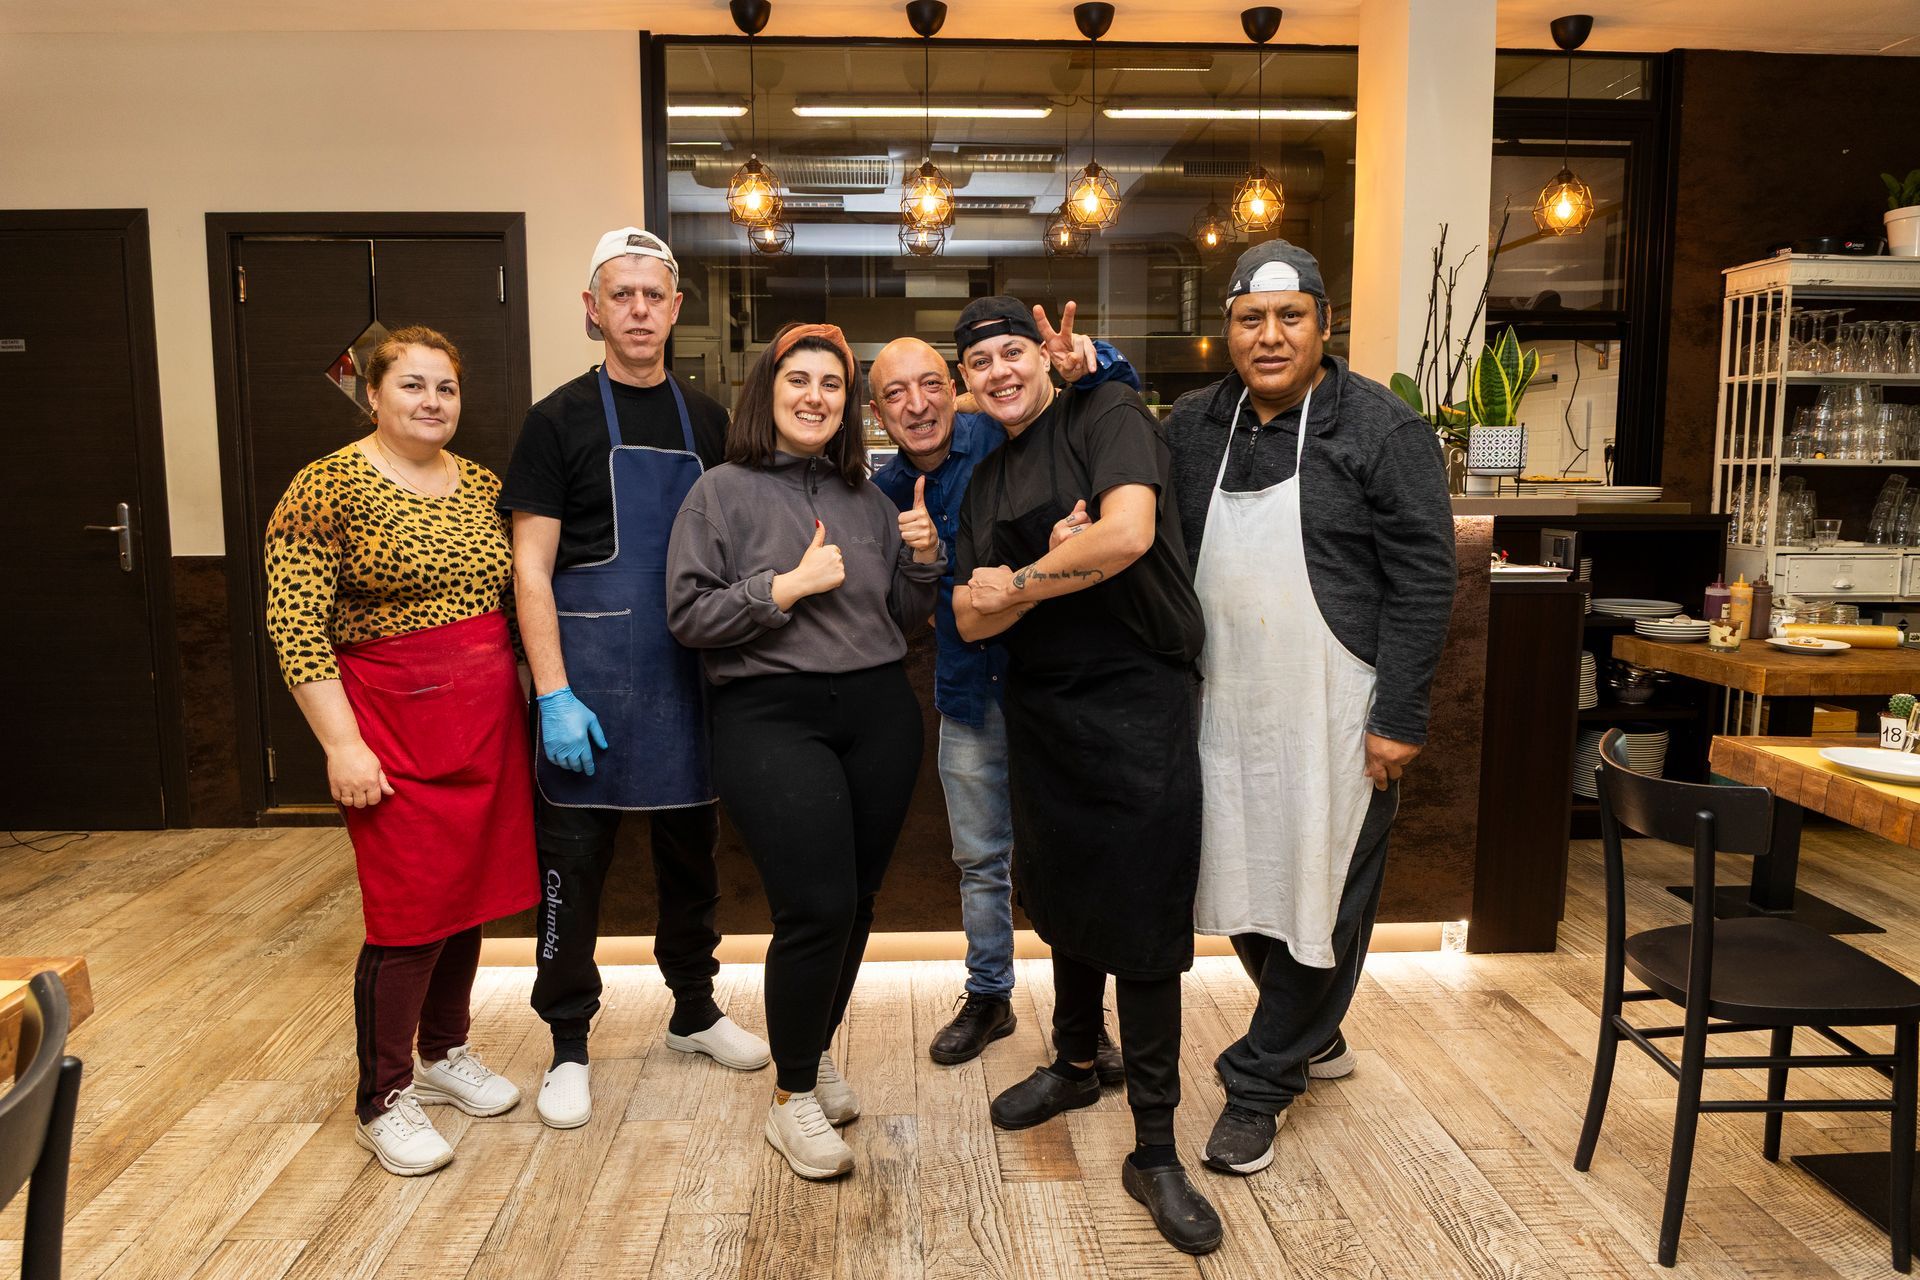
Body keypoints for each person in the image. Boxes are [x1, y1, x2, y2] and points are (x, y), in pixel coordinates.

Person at [1164, 241, 1455, 1177]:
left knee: (1325, 891)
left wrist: (1400, 714)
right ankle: (1313, 1034)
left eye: (1291, 318)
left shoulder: (1381, 429)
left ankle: (1261, 1082)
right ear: (1229, 331)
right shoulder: (1192, 425)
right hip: (1224, 702)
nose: (1271, 336)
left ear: (1325, 325)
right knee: (1246, 884)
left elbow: (1423, 579)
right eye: (1252, 319)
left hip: (1338, 706)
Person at [950, 297, 1221, 1255]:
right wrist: (1050, 568)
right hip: (1045, 711)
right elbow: (968, 620)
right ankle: (1072, 1061)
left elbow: (1130, 536)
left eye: (1011, 350)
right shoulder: (984, 482)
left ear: (1041, 356)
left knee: (1143, 923)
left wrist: (1028, 578)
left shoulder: (1104, 415)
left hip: (1139, 698)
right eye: (979, 361)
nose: (999, 370)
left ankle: (1153, 1148)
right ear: (966, 386)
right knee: (1062, 898)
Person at [500, 228, 769, 1131]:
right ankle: (568, 1043)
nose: (640, 311)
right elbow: (529, 569)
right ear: (593, 310)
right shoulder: (557, 421)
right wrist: (553, 693)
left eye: (654, 295)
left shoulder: (707, 419)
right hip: (591, 682)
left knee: (692, 862)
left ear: (676, 309)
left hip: (689, 680)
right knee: (571, 871)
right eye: (622, 295)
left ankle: (693, 1011)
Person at [667, 323, 943, 1181]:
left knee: (857, 902)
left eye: (832, 384)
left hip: (877, 710)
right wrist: (783, 587)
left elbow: (893, 618)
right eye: (799, 380)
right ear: (769, 392)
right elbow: (688, 616)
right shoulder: (720, 491)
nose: (815, 396)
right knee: (815, 906)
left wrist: (924, 566)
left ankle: (813, 1048)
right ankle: (791, 1101)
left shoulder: (867, 498)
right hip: (769, 714)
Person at [264, 325, 535, 1177]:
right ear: (373, 394)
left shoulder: (484, 485)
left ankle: (444, 1051)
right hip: (387, 725)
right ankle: (382, 1097)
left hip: (485, 720)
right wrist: (341, 745)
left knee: (471, 897)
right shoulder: (324, 487)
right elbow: (294, 625)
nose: (431, 403)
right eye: (412, 386)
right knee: (410, 912)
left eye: (445, 389)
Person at [868, 306, 1137, 1071]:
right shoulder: (883, 494)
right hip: (969, 694)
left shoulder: (1002, 430)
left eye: (930, 385)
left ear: (955, 390)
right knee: (981, 859)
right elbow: (906, 614)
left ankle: (1085, 1020)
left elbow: (1107, 403)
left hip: (1056, 686)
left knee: (1071, 855)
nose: (917, 405)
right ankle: (990, 996)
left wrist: (1094, 357)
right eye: (896, 394)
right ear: (879, 411)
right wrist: (918, 563)